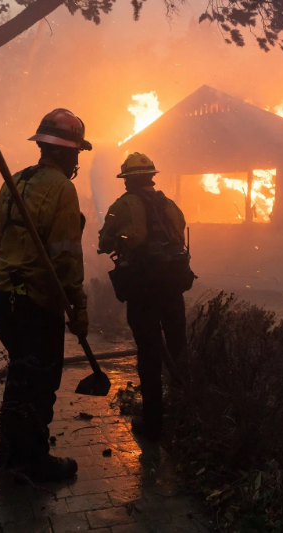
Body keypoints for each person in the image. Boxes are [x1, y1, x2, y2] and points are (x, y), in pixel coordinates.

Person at [0, 108, 90, 481]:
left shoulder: (13, 181)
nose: (77, 160)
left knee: (21, 376)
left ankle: (9, 457)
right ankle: (32, 462)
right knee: (40, 383)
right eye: (76, 152)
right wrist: (78, 306)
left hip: (2, 299)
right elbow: (65, 256)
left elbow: (0, 241)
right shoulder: (63, 188)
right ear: (67, 151)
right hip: (34, 304)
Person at [98, 152, 194, 440]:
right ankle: (185, 412)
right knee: (178, 346)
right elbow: (178, 236)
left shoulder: (121, 206)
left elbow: (104, 243)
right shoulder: (171, 206)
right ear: (152, 177)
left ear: (127, 180)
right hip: (172, 286)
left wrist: (117, 241)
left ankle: (153, 421)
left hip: (142, 289)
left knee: (149, 352)